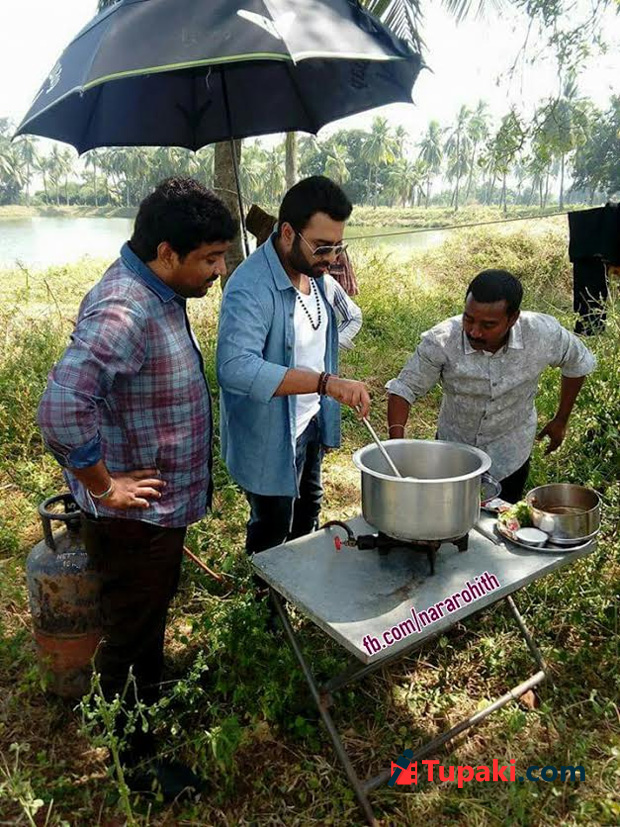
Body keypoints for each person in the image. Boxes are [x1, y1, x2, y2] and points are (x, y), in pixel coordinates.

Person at [38, 177, 237, 796]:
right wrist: (104, 484)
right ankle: (137, 763)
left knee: (147, 616)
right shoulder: (126, 306)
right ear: (167, 253)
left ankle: (149, 689)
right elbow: (62, 406)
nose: (220, 270)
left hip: (160, 512)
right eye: (210, 258)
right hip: (134, 518)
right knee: (129, 630)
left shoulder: (157, 289)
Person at [217, 176, 370, 554]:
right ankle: (268, 606)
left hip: (310, 422)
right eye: (322, 247)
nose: (332, 259)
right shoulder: (249, 287)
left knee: (309, 506)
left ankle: (302, 586)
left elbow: (334, 327)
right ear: (287, 233)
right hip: (272, 432)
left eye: (337, 246)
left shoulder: (316, 276)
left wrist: (323, 385)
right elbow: (234, 367)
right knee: (272, 524)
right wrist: (324, 383)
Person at [386, 269, 596, 503]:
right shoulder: (442, 340)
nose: (474, 331)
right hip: (454, 452)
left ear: (513, 319)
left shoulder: (542, 334)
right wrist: (397, 449)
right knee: (446, 516)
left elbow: (579, 362)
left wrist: (561, 420)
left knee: (501, 525)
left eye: (488, 325)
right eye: (468, 318)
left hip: (511, 453)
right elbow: (404, 388)